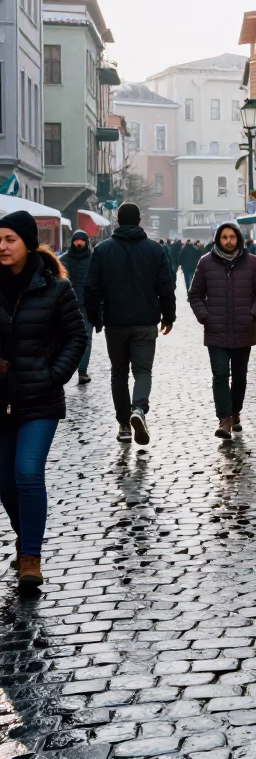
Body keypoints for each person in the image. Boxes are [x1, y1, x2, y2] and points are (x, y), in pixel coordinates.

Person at [0, 211, 87, 589]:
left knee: (28, 473)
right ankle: (25, 534)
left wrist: (54, 376)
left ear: (28, 243)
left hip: (39, 400)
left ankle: (31, 557)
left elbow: (76, 337)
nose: (1, 247)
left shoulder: (55, 288)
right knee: (4, 482)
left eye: (9, 239)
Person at [84, 203, 175, 446]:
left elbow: (91, 287)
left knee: (119, 373)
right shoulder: (154, 250)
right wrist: (169, 315)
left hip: (115, 321)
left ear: (116, 219)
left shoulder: (103, 250)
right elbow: (166, 285)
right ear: (139, 221)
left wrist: (95, 317)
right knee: (143, 371)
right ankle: (139, 409)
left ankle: (124, 424)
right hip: (145, 320)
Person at [188, 221, 256, 440]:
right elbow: (195, 294)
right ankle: (224, 419)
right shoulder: (205, 263)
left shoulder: (252, 262)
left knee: (240, 377)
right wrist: (205, 317)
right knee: (220, 375)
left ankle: (235, 412)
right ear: (218, 239)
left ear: (238, 239)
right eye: (224, 237)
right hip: (216, 330)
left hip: (243, 329)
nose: (228, 241)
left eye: (232, 237)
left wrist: (252, 314)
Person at [59, 230, 95, 384]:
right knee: (68, 339)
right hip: (69, 305)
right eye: (77, 241)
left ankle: (81, 370)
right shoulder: (64, 260)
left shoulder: (92, 260)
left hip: (84, 305)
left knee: (84, 339)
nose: (79, 243)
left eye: (82, 241)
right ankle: (69, 370)